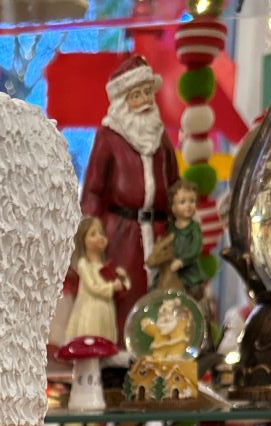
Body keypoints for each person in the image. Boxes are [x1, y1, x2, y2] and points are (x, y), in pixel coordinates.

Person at [81, 55, 180, 338]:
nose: (145, 100)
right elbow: (94, 189)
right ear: (123, 101)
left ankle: (159, 348)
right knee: (125, 291)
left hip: (159, 231)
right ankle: (122, 355)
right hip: (122, 232)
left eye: (148, 92)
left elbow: (173, 182)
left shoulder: (159, 138)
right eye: (136, 95)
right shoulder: (109, 137)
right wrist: (90, 233)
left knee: (163, 293)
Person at [64, 217, 130, 344]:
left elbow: (119, 285)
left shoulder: (105, 265)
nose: (99, 237)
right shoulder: (84, 265)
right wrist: (111, 287)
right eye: (93, 234)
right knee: (91, 340)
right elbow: (92, 287)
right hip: (91, 311)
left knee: (104, 342)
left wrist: (122, 278)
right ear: (83, 241)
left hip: (105, 311)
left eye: (101, 233)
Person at [147, 180, 205, 294]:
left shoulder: (194, 229)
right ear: (173, 208)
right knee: (157, 283)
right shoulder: (170, 228)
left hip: (188, 270)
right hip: (171, 266)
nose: (188, 205)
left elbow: (195, 249)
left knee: (193, 290)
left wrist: (181, 261)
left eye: (192, 201)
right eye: (182, 202)